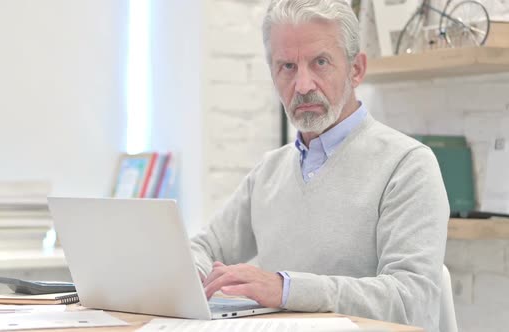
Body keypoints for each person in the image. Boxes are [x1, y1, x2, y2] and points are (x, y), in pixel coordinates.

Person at [190, 1, 449, 331]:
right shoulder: (269, 172)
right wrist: (191, 275)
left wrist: (285, 289)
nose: (302, 85)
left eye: (320, 62)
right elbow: (205, 247)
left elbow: (411, 302)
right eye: (287, 66)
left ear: (356, 69)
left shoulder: (408, 166)